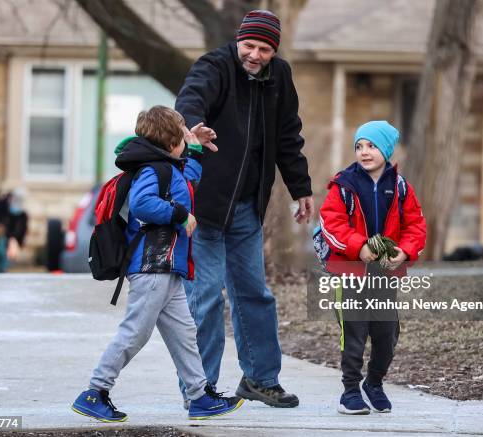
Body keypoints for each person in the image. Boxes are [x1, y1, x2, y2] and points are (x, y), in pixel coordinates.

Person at [175, 9, 313, 408]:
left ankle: (260, 379)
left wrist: (300, 187)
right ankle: (201, 390)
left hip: (247, 208)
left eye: (264, 49)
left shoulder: (279, 77)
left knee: (255, 293)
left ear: (274, 50)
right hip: (203, 208)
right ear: (239, 42)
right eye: (249, 46)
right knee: (205, 296)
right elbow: (191, 97)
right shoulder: (215, 66)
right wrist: (191, 127)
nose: (254, 55)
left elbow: (289, 134)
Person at [71, 106, 243, 422]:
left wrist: (194, 147)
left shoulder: (169, 168)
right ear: (170, 139)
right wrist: (179, 214)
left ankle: (200, 396)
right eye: (183, 133)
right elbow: (142, 203)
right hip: (153, 266)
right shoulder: (154, 170)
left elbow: (187, 179)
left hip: (168, 269)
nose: (187, 137)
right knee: (135, 332)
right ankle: (95, 392)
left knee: (184, 333)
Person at [318, 120, 426, 415]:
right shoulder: (343, 186)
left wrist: (404, 251)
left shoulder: (401, 187)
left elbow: (416, 226)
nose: (364, 152)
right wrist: (358, 246)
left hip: (384, 275)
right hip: (350, 273)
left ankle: (374, 383)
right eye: (359, 146)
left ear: (387, 150)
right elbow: (331, 224)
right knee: (353, 333)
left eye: (372, 146)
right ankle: (350, 391)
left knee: (386, 334)